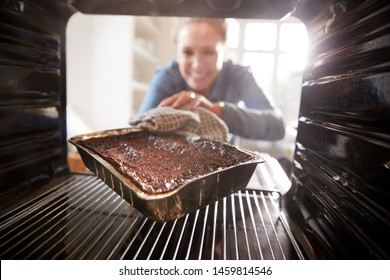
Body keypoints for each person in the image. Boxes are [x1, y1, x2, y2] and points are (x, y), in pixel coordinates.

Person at [139, 17, 285, 141]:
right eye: (187, 52)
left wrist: (217, 111)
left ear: (225, 51)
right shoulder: (167, 77)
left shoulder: (238, 76)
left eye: (209, 52)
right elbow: (138, 134)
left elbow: (277, 127)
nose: (197, 65)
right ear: (177, 51)